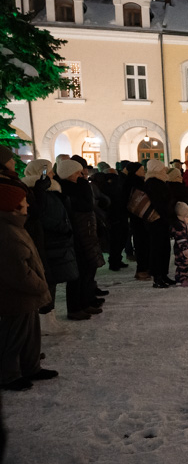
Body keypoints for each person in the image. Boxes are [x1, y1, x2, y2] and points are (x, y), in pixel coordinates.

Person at [0, 183, 58, 391]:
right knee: (14, 337)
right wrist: (40, 285)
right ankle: (9, 375)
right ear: (13, 206)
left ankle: (31, 367)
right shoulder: (6, 232)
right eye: (24, 203)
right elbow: (17, 272)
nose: (28, 206)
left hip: (28, 294)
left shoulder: (15, 225)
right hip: (17, 296)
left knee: (30, 335)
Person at [21, 160, 79, 323]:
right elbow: (42, 216)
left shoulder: (49, 190)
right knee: (47, 279)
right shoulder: (37, 191)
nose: (52, 174)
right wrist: (63, 228)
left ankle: (48, 317)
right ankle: (46, 318)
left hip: (55, 242)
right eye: (49, 171)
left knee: (51, 279)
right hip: (49, 242)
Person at [57, 158, 106, 315]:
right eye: (78, 172)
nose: (82, 175)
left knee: (87, 271)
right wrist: (84, 184)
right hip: (76, 236)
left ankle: (85, 302)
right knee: (77, 274)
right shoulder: (67, 190)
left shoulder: (77, 186)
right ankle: (75, 307)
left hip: (85, 234)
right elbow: (84, 207)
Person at [143, 159, 175, 288]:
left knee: (164, 248)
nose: (164, 170)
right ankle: (157, 277)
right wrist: (168, 215)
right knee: (157, 249)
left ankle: (163, 274)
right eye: (162, 168)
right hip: (157, 221)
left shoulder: (159, 181)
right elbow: (159, 203)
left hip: (162, 220)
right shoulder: (153, 183)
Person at [122, 162, 151, 281]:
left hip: (137, 216)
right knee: (141, 243)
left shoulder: (131, 181)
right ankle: (141, 270)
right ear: (136, 171)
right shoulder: (135, 182)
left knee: (143, 243)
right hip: (139, 217)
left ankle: (144, 268)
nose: (143, 171)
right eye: (141, 169)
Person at [170, 201, 188, 287]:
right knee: (182, 264)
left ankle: (186, 277)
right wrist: (184, 249)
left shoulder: (187, 222)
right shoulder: (179, 226)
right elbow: (180, 239)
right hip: (182, 249)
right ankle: (180, 279)